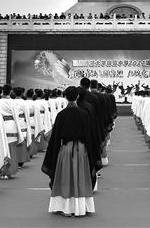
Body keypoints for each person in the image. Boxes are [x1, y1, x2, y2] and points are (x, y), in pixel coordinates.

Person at [41, 87, 98, 217]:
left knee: (65, 177)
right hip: (81, 149)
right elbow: (90, 136)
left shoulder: (61, 115)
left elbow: (55, 138)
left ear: (66, 97)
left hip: (65, 150)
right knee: (80, 177)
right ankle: (80, 207)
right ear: (77, 96)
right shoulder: (84, 114)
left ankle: (65, 207)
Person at [0, 85, 23, 178]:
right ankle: (9, 171)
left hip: (1, 125)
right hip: (11, 125)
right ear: (11, 91)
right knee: (11, 148)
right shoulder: (13, 102)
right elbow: (16, 115)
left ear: (2, 91)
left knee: (2, 147)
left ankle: (1, 171)